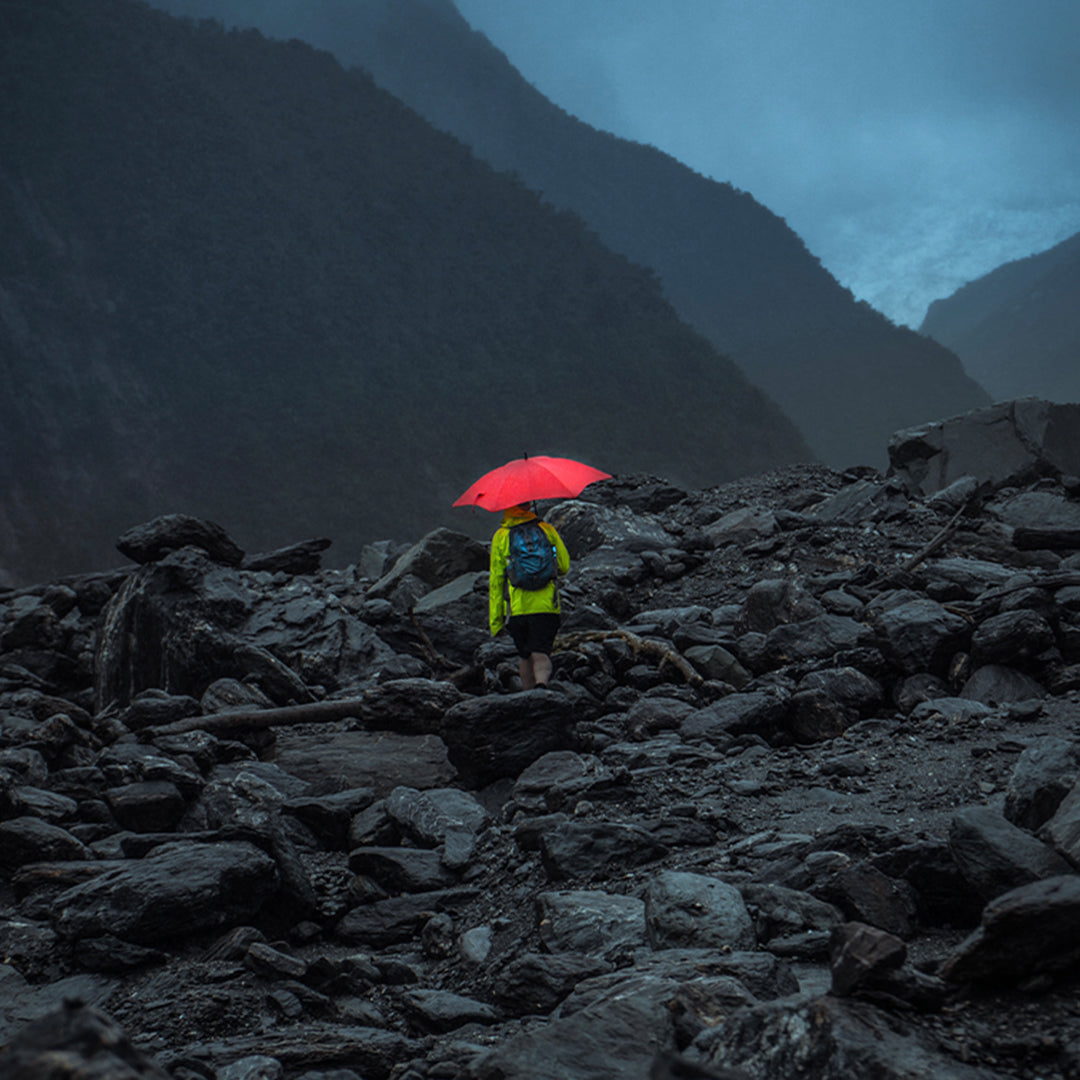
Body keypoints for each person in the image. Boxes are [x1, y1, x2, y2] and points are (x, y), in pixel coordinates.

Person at [488, 502, 570, 689]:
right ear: (529, 504)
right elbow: (564, 567)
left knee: (525, 656)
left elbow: (496, 582)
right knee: (541, 652)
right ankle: (542, 685)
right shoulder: (546, 529)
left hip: (519, 610)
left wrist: (496, 622)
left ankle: (527, 697)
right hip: (547, 607)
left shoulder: (501, 536)